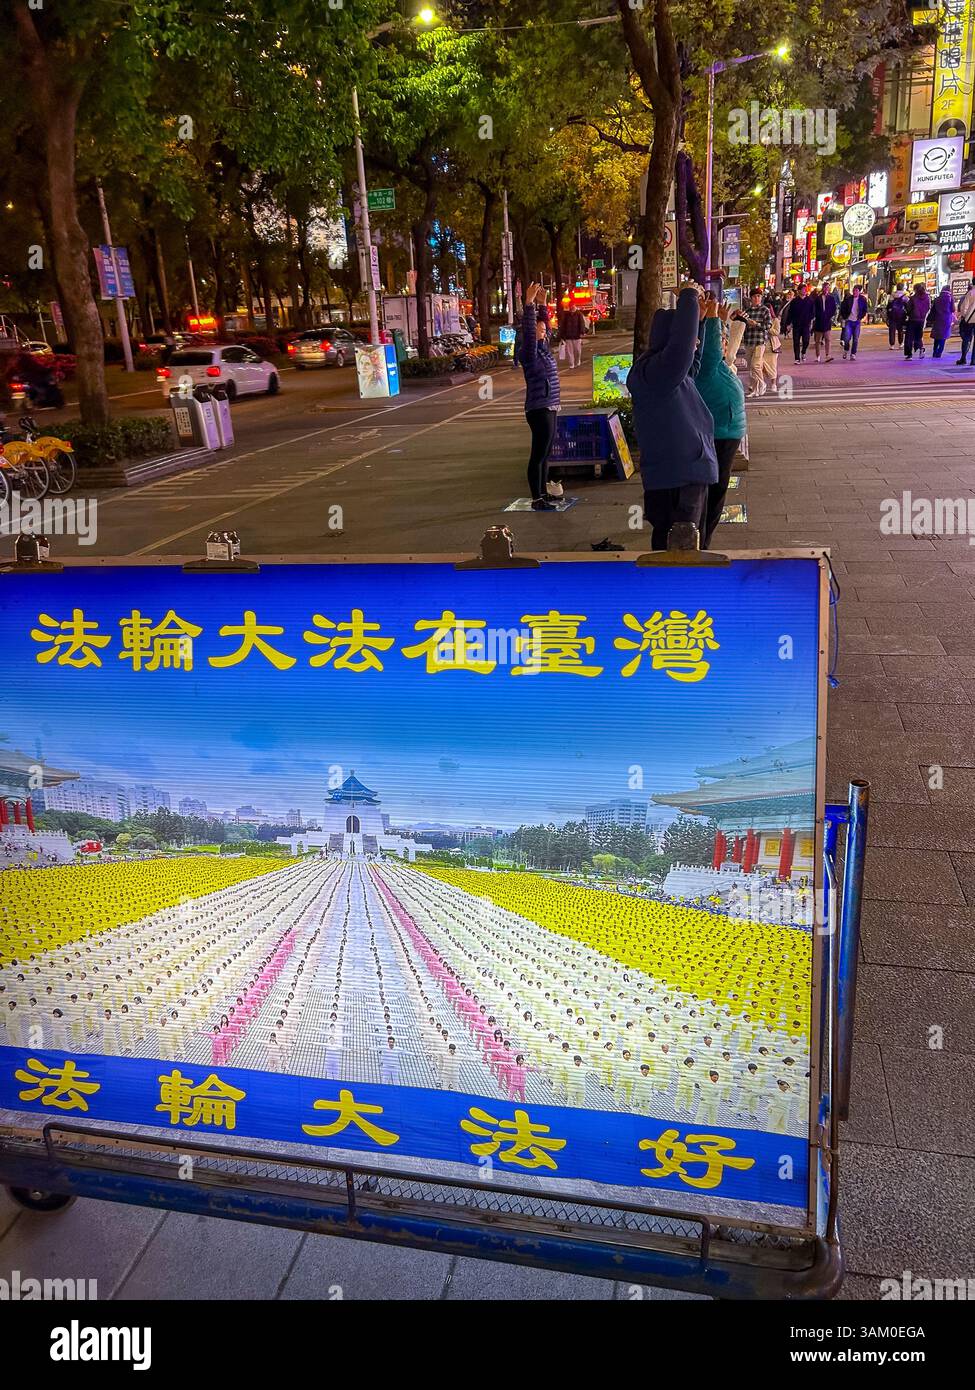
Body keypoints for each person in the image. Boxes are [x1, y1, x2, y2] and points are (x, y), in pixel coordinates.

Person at [626, 284, 718, 550]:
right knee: (679, 548)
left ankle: (678, 586)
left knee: (686, 546)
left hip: (684, 473)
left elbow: (692, 361)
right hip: (677, 478)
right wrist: (688, 295)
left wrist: (698, 322)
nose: (693, 346)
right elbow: (681, 351)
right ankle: (675, 590)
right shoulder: (656, 373)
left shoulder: (668, 375)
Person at [691, 298, 746, 549]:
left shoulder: (715, 365)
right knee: (713, 492)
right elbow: (712, 348)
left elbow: (715, 344)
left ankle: (703, 539)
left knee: (715, 490)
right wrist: (713, 316)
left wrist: (719, 320)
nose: (724, 343)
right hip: (719, 434)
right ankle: (702, 542)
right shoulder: (706, 366)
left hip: (725, 432)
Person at [520, 282, 561, 510]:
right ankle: (536, 498)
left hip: (551, 405)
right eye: (540, 329)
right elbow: (529, 332)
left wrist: (544, 305)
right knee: (538, 454)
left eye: (544, 329)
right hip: (538, 408)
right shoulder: (530, 353)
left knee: (546, 454)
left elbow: (548, 330)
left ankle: (544, 493)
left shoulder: (544, 349)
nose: (544, 331)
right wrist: (528, 304)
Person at [740, 288, 772, 397]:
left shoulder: (765, 310)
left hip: (760, 341)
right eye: (754, 296)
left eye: (758, 296)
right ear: (751, 298)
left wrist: (757, 324)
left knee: (755, 365)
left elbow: (768, 325)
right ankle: (754, 387)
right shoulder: (747, 311)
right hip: (748, 341)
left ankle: (760, 386)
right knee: (750, 366)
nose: (756, 298)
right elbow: (741, 325)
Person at [787, 284, 815, 363]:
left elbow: (813, 312)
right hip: (796, 324)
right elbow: (790, 313)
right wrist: (788, 324)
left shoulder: (810, 300)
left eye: (805, 289)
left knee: (806, 341)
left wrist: (811, 321)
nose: (804, 291)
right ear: (799, 291)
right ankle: (797, 358)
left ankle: (803, 352)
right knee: (796, 341)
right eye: (803, 289)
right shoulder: (794, 301)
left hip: (806, 324)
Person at [839, 283, 868, 360]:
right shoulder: (849, 299)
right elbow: (843, 307)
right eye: (854, 290)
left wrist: (861, 317)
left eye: (856, 291)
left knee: (855, 338)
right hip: (849, 321)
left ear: (859, 292)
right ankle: (846, 350)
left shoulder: (862, 300)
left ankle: (853, 354)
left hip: (857, 321)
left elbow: (865, 309)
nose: (855, 292)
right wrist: (845, 317)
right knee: (847, 338)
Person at [812, 281, 836, 363]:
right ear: (822, 288)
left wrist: (829, 316)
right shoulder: (818, 298)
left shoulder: (831, 298)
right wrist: (817, 316)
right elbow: (814, 309)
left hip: (827, 321)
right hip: (819, 321)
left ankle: (827, 355)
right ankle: (817, 356)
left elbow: (833, 309)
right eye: (825, 287)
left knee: (827, 339)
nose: (826, 289)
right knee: (818, 340)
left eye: (827, 288)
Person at [905, 282, 930, 359]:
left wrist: (909, 314)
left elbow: (908, 309)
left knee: (909, 337)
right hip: (921, 320)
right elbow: (928, 307)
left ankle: (909, 354)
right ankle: (921, 348)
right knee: (918, 336)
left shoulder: (913, 298)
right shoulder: (927, 298)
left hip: (913, 319)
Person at [928, 285, 954, 358]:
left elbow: (933, 310)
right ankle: (939, 353)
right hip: (946, 319)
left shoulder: (937, 299)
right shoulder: (950, 298)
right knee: (943, 336)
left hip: (937, 319)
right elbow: (953, 309)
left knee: (937, 337)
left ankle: (934, 351)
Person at [559, 302, 587, 369]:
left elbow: (582, 323)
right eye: (570, 307)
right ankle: (571, 364)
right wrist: (562, 335)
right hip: (568, 336)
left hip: (577, 336)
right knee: (569, 352)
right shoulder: (566, 315)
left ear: (575, 306)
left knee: (577, 350)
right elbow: (563, 325)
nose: (572, 308)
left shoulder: (579, 314)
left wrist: (582, 332)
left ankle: (578, 360)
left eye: (573, 306)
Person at [956, 279, 975, 365]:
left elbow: (964, 308)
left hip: (969, 320)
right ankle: (973, 360)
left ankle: (963, 358)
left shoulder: (970, 293)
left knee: (967, 339)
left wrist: (965, 316)